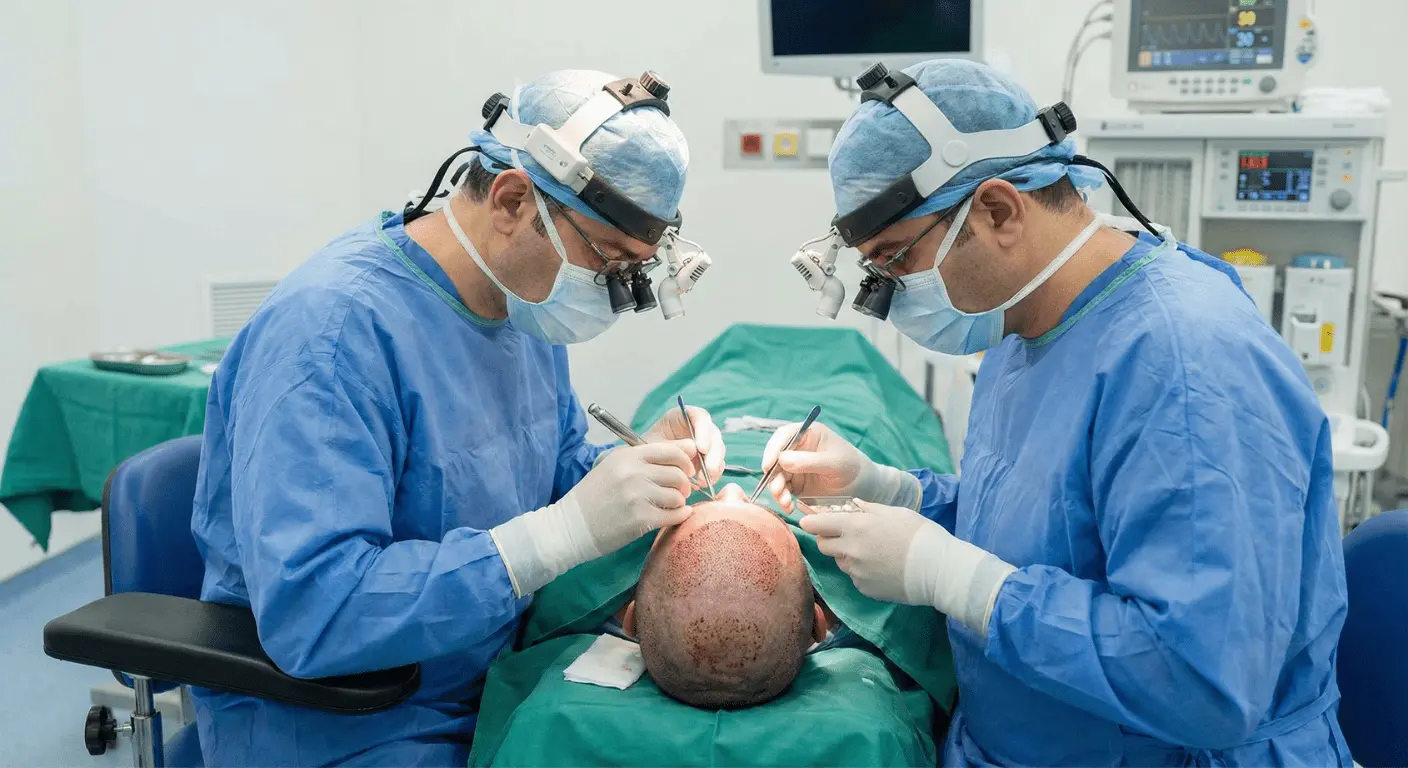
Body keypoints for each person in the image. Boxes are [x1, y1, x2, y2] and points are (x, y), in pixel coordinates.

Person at [765, 59, 1351, 765]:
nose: (889, 291)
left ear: (999, 211)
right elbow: (1041, 527)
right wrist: (890, 492)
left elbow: (1203, 682)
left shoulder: (1187, 363)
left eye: (895, 260)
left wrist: (948, 575)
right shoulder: (1025, 324)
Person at [189, 69, 725, 768]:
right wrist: (556, 536)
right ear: (510, 199)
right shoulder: (331, 334)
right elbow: (315, 611)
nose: (611, 292)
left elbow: (548, 470)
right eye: (606, 260)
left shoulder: (519, 307)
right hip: (351, 722)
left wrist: (629, 468)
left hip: (488, 674)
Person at [614, 483, 848, 708]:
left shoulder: (587, 560)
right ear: (818, 624)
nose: (733, 489)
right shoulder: (872, 588)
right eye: (759, 509)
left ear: (631, 618)